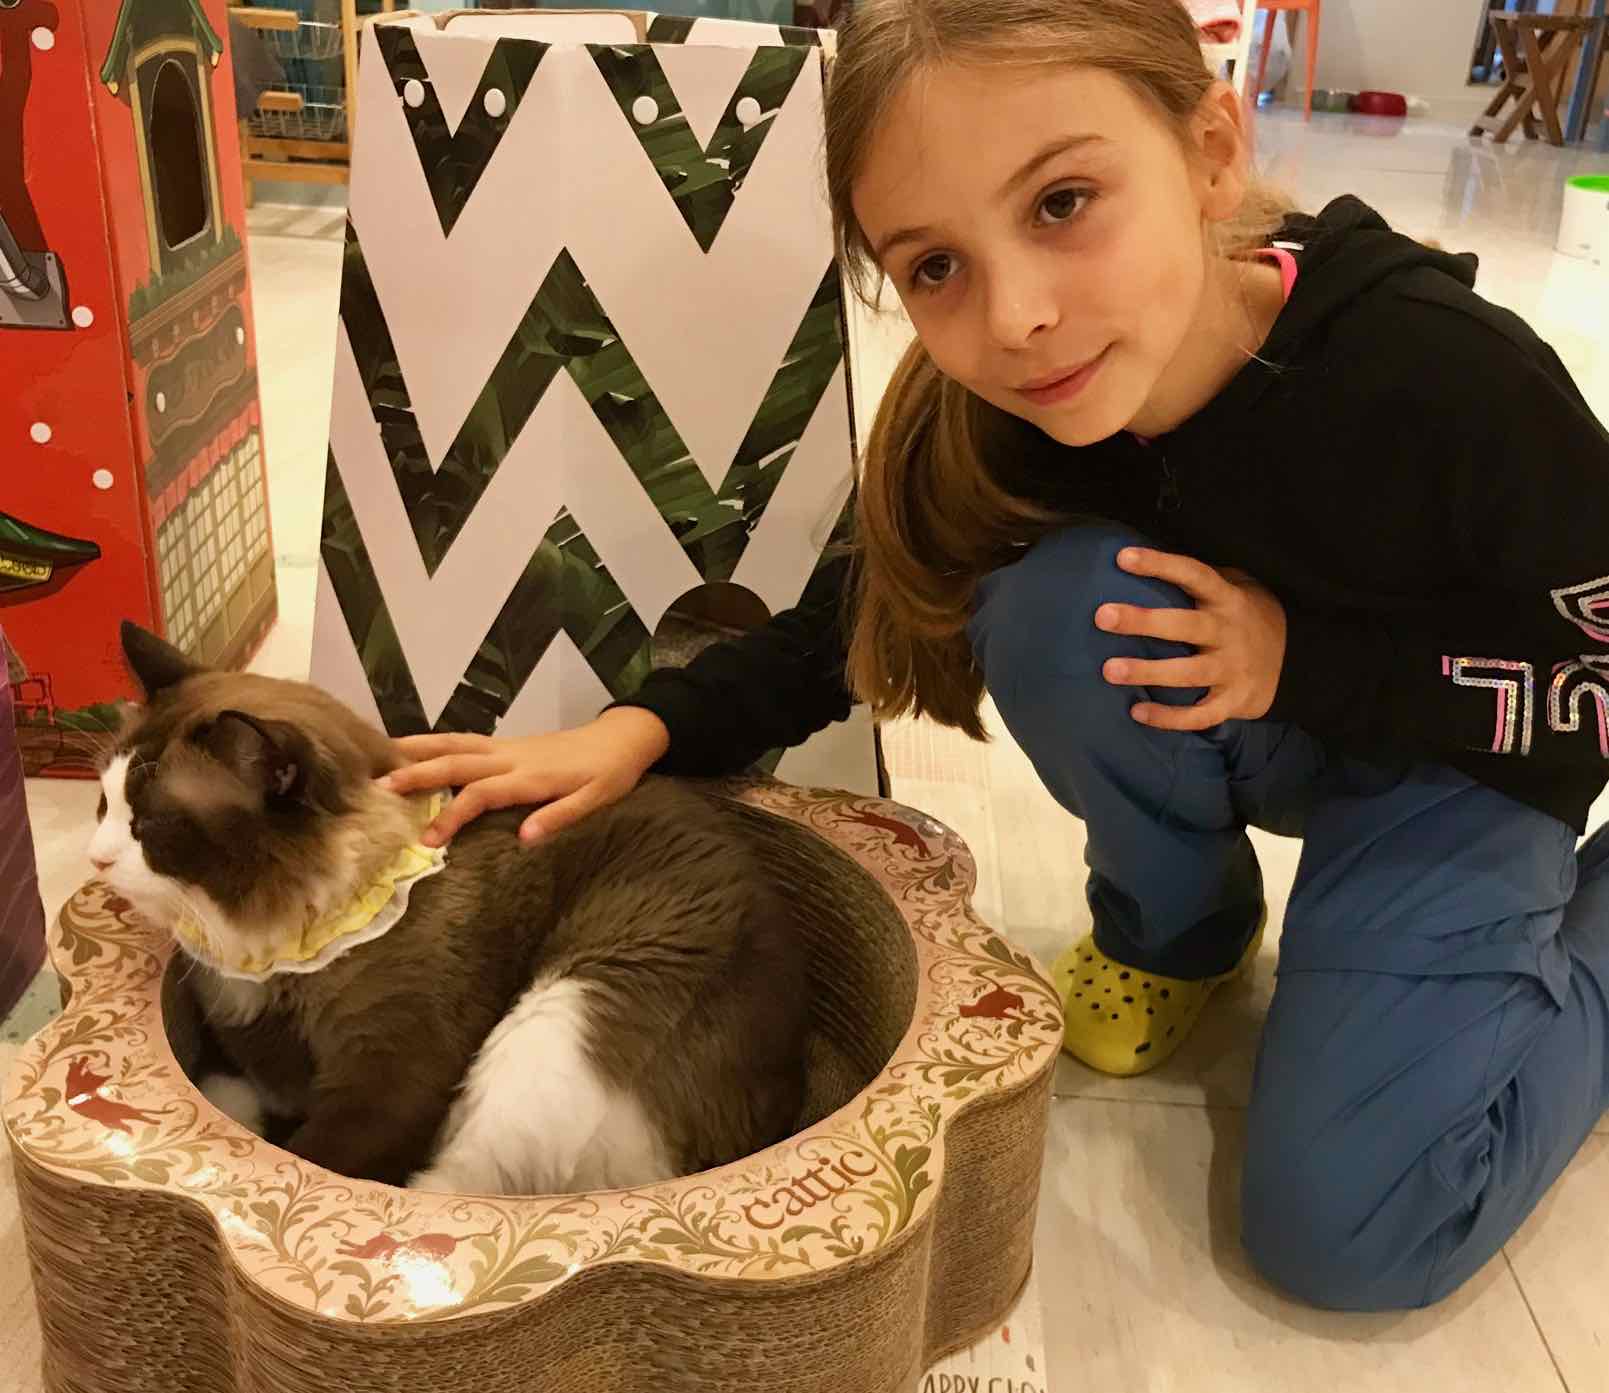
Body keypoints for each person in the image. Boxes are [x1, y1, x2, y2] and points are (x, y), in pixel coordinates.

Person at [382, 0, 1609, 1314]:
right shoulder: (1024, 409)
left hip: (1468, 763)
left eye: (1062, 202)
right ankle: (1182, 936)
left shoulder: (1448, 374)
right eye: (934, 267)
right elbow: (872, 609)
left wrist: (1304, 663)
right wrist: (642, 729)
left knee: (1346, 1233)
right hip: (1283, 707)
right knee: (1048, 605)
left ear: (1211, 149)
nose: (1017, 317)